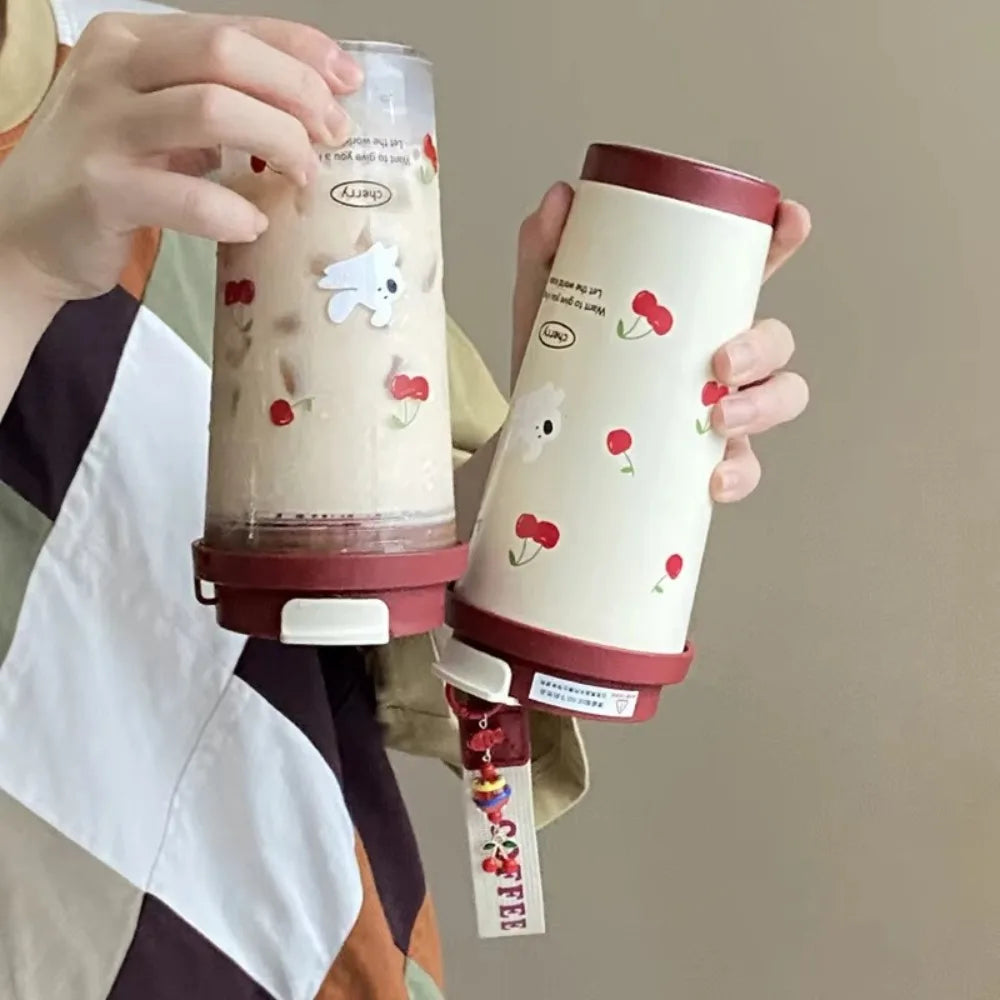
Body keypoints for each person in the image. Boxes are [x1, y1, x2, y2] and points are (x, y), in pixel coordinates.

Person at [0, 0, 811, 995]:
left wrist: (571, 435)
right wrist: (21, 267)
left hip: (330, 955)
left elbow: (406, 625)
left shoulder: (184, 84)